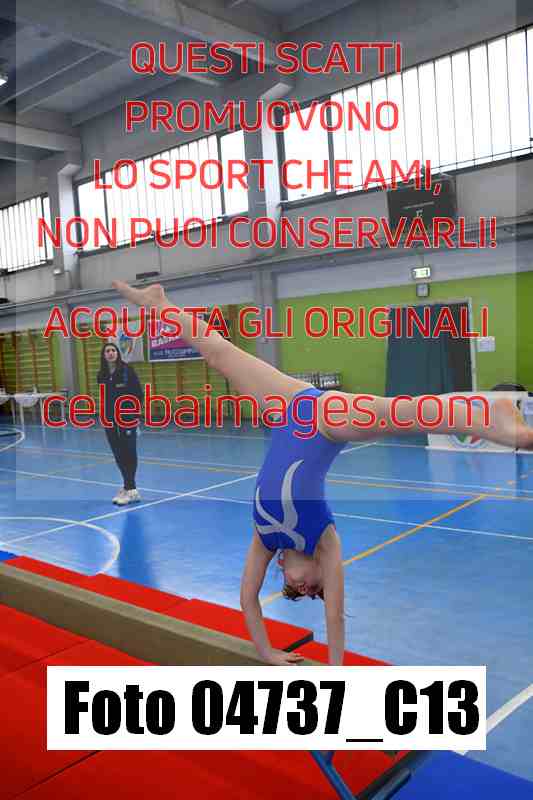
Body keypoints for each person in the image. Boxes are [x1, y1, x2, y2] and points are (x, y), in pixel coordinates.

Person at [112, 280, 533, 665]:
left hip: (287, 405)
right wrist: (334, 672)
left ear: (281, 567)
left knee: (217, 353)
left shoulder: (265, 539)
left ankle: (160, 303)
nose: (308, 590)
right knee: (398, 415)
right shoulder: (325, 540)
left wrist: (268, 653)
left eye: (297, 589)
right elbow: (335, 616)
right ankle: (488, 416)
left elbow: (248, 601)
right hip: (324, 421)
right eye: (314, 590)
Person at [97, 342, 143, 505]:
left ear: (117, 353)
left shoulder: (127, 371)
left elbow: (138, 394)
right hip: (109, 419)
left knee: (128, 451)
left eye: (113, 350)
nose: (110, 353)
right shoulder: (101, 375)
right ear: (104, 355)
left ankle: (131, 489)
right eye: (107, 351)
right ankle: (127, 487)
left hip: (127, 418)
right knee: (117, 452)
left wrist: (134, 414)